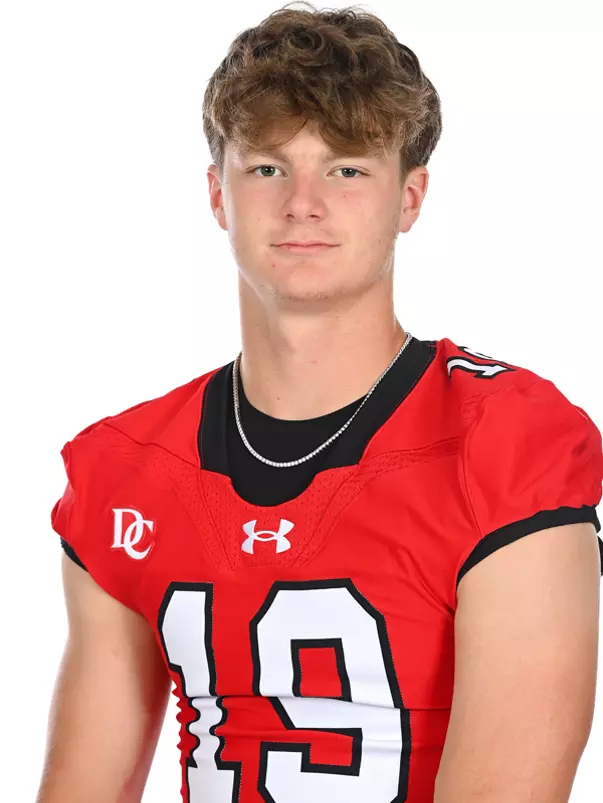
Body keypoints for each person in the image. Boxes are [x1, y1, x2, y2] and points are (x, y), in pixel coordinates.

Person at [37, 4, 603, 803]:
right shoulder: (122, 468)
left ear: (409, 198)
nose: (302, 202)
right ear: (216, 193)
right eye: (268, 167)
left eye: (346, 168)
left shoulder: (506, 440)